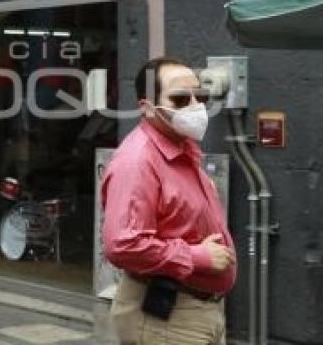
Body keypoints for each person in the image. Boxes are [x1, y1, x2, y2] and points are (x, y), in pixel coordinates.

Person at [101, 57, 237, 345]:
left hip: (198, 311)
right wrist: (196, 256)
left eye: (198, 95)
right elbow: (122, 244)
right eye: (179, 98)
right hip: (165, 317)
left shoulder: (183, 148)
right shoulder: (138, 161)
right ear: (147, 107)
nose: (194, 105)